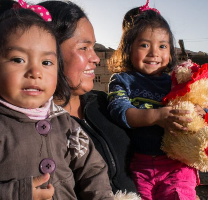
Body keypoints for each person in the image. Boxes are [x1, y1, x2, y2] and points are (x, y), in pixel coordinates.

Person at [0, 0, 114, 199]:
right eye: (18, 60)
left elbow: (93, 171)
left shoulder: (66, 124)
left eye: (46, 62)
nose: (35, 72)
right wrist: (15, 193)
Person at [107, 1, 208, 200]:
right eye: (144, 45)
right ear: (128, 49)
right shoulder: (123, 80)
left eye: (162, 46)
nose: (154, 53)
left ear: (170, 51)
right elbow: (120, 111)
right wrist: (157, 116)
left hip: (177, 164)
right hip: (141, 165)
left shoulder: (175, 82)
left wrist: (203, 112)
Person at [38, 0, 138, 194]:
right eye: (84, 48)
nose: (96, 58)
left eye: (93, 47)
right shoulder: (35, 127)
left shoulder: (105, 104)